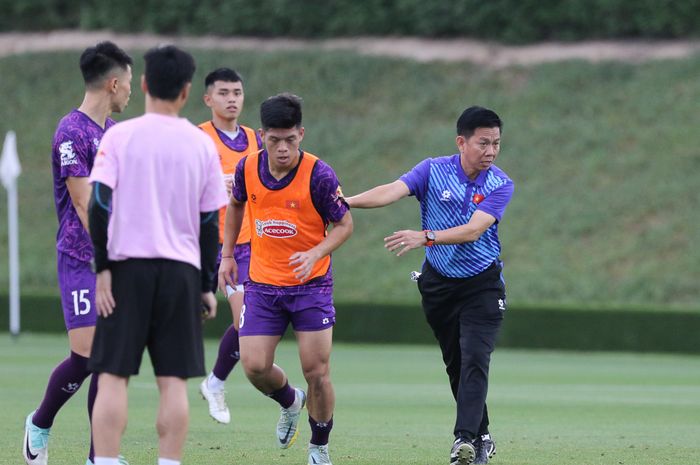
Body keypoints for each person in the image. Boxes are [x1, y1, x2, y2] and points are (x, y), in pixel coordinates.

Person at [346, 106, 513, 465]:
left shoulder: (500, 183)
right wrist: (345, 202)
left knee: (475, 359)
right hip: (438, 285)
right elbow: (392, 190)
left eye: (496, 143)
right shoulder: (432, 171)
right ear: (461, 142)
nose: (491, 151)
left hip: (482, 285)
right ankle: (483, 435)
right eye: (483, 143)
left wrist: (426, 237)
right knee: (455, 363)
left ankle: (464, 441)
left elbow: (473, 230)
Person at [86, 45, 228, 465]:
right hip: (180, 275)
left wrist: (103, 269)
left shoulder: (118, 136)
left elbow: (99, 206)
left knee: (112, 376)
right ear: (187, 92)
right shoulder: (201, 146)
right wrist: (205, 285)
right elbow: (208, 225)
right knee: (173, 382)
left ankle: (107, 461)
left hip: (126, 269)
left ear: (145, 83)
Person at [218, 93, 353, 465]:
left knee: (317, 371)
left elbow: (344, 224)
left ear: (301, 134)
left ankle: (319, 448)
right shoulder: (247, 169)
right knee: (254, 366)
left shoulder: (319, 175)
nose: (282, 148)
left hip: (311, 287)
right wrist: (227, 255)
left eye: (290, 140)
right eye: (274, 139)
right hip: (262, 285)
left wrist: (316, 252)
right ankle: (290, 401)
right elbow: (235, 205)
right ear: (261, 135)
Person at [24, 41, 132, 465]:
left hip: (118, 259)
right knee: (87, 356)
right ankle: (40, 421)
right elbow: (84, 201)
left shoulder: (114, 135)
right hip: (81, 258)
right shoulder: (72, 131)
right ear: (112, 83)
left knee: (108, 362)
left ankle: (98, 457)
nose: (129, 95)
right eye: (127, 85)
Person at [197, 67, 263, 424]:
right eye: (223, 93)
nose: (232, 99)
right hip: (218, 246)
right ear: (208, 99)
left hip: (257, 243)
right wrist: (212, 184)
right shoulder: (199, 138)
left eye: (237, 92)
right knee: (246, 321)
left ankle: (215, 381)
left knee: (252, 321)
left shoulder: (255, 139)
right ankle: (215, 381)